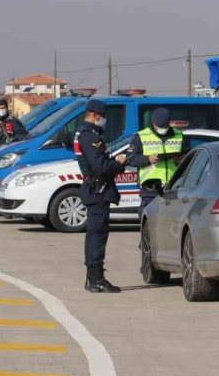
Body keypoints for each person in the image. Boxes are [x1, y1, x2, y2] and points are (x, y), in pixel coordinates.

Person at [75, 99, 128, 293]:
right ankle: (95, 278)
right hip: (97, 190)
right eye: (103, 117)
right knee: (97, 236)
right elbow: (100, 166)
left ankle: (94, 277)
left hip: (95, 188)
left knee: (96, 235)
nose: (104, 121)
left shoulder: (87, 133)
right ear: (95, 116)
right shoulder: (89, 136)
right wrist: (119, 163)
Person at [126, 107, 183, 215]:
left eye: (165, 126)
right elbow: (131, 158)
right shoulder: (141, 136)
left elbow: (187, 157)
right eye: (160, 127)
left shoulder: (179, 135)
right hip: (150, 189)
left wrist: (177, 159)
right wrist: (148, 159)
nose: (163, 129)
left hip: (173, 188)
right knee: (148, 223)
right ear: (153, 123)